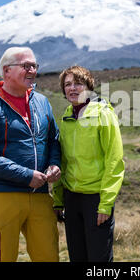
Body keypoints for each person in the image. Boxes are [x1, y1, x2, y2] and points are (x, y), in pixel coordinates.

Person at [0, 47, 61, 262]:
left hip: (39, 195)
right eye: (25, 66)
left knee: (49, 256)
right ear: (6, 71)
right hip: (2, 194)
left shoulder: (42, 102)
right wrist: (26, 176)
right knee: (5, 257)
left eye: (34, 66)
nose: (32, 71)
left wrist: (54, 164)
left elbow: (53, 140)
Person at [52, 65, 125, 262]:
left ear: (89, 87)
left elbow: (114, 160)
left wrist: (106, 203)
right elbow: (63, 161)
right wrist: (58, 198)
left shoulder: (103, 114)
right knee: (77, 257)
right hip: (71, 198)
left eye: (78, 83)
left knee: (98, 260)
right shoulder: (67, 116)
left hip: (96, 198)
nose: (72, 88)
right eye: (67, 84)